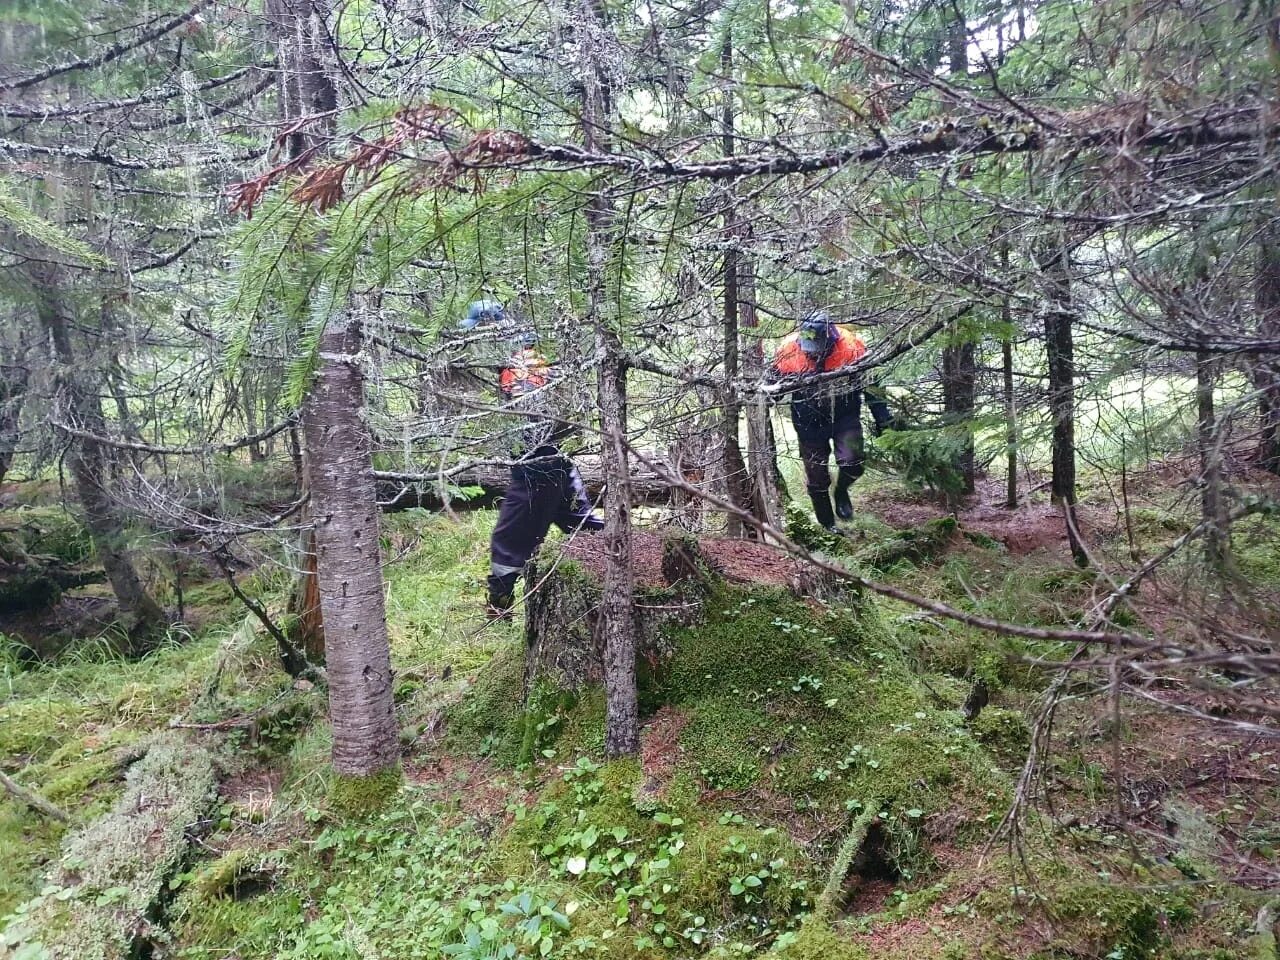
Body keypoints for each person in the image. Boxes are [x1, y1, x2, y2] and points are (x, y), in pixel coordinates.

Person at [458, 300, 604, 617]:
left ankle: (498, 612)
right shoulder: (527, 358)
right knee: (582, 525)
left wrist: (526, 459)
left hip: (536, 466)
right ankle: (621, 569)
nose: (473, 342)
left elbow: (531, 419)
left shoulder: (520, 367)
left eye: (477, 333)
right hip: (557, 461)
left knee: (507, 540)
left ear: (492, 329)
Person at [766, 309, 894, 532]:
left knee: (853, 463)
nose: (814, 355)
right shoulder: (788, 350)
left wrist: (883, 417)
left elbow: (872, 384)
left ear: (831, 338)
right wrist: (764, 397)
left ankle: (842, 491)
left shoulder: (851, 346)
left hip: (845, 416)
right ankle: (828, 526)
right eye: (810, 350)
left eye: (819, 349)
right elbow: (772, 386)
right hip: (808, 424)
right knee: (817, 478)